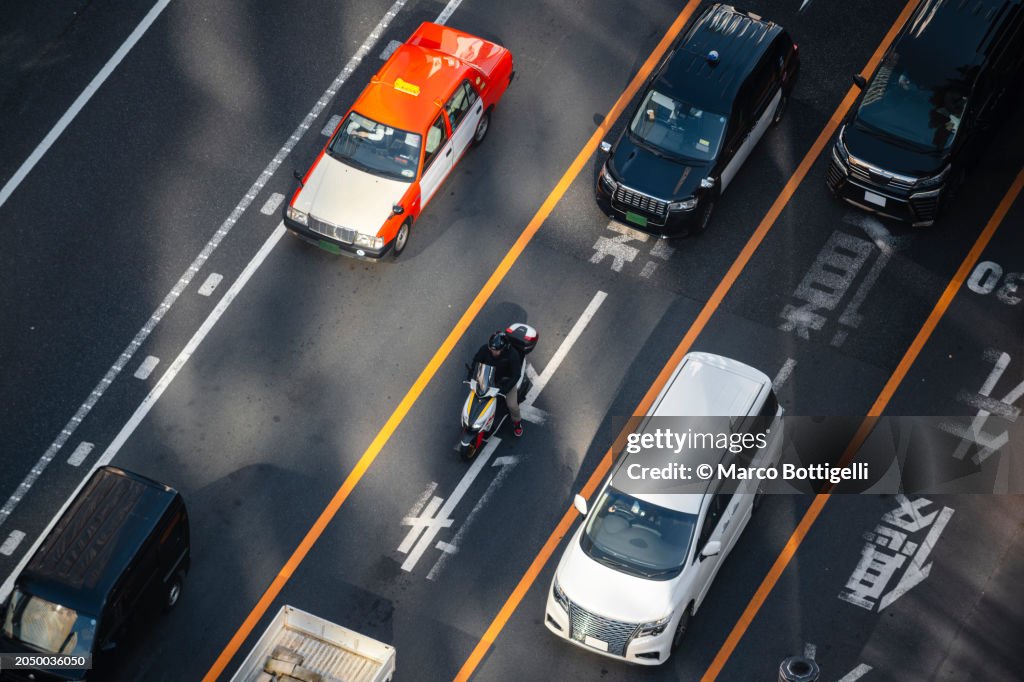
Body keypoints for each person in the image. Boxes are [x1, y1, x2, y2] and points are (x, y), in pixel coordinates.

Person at [471, 331, 524, 437]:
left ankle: (517, 424)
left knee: (512, 405)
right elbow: (476, 361)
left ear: (504, 348)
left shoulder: (512, 355)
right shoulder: (485, 349)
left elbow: (516, 375)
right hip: (488, 377)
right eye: (491, 349)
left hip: (506, 382)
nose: (493, 352)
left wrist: (505, 389)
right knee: (476, 397)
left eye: (496, 351)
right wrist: (471, 375)